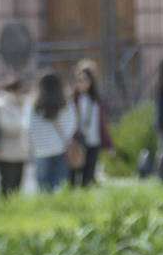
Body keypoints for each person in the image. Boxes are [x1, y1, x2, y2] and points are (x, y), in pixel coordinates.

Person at [26, 71, 75, 193]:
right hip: (60, 148)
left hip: (40, 150)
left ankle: (45, 211)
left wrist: (31, 147)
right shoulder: (66, 104)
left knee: (43, 188)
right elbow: (72, 125)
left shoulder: (33, 105)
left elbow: (28, 127)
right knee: (60, 187)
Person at [0, 73, 32, 197]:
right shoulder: (0, 104)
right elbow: (6, 126)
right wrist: (25, 124)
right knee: (7, 186)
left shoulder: (22, 103)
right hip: (7, 153)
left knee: (18, 187)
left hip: (20, 152)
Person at [68, 60, 106, 188]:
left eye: (85, 79)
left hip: (92, 140)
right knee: (73, 176)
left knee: (88, 177)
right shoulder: (72, 99)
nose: (82, 83)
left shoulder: (95, 100)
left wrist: (108, 143)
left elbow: (102, 123)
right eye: (79, 80)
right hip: (76, 142)